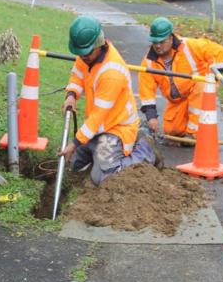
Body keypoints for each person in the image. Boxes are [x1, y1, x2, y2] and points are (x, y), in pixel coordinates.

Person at [58, 15, 161, 185]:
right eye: (80, 53)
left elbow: (99, 115)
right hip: (97, 126)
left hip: (116, 128)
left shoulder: (112, 72)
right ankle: (94, 153)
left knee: (103, 177)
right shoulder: (87, 53)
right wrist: (71, 95)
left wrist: (75, 142)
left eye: (86, 53)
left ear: (99, 43)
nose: (83, 57)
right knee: (73, 164)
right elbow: (77, 74)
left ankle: (145, 149)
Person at [138, 17, 223, 140]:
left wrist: (214, 76)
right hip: (178, 101)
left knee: (202, 85)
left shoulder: (190, 46)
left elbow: (219, 51)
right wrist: (151, 117)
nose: (157, 46)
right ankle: (187, 132)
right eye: (154, 42)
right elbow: (146, 92)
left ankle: (193, 134)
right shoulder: (148, 62)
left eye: (162, 41)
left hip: (197, 92)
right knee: (171, 131)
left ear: (170, 37)